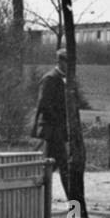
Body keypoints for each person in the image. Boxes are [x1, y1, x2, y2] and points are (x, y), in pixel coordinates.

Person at [31, 49, 87, 198]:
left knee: (52, 170)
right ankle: (72, 212)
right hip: (53, 131)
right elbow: (44, 104)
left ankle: (39, 204)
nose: (70, 67)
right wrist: (61, 122)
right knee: (64, 171)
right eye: (67, 63)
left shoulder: (68, 81)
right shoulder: (49, 79)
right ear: (60, 62)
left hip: (62, 133)